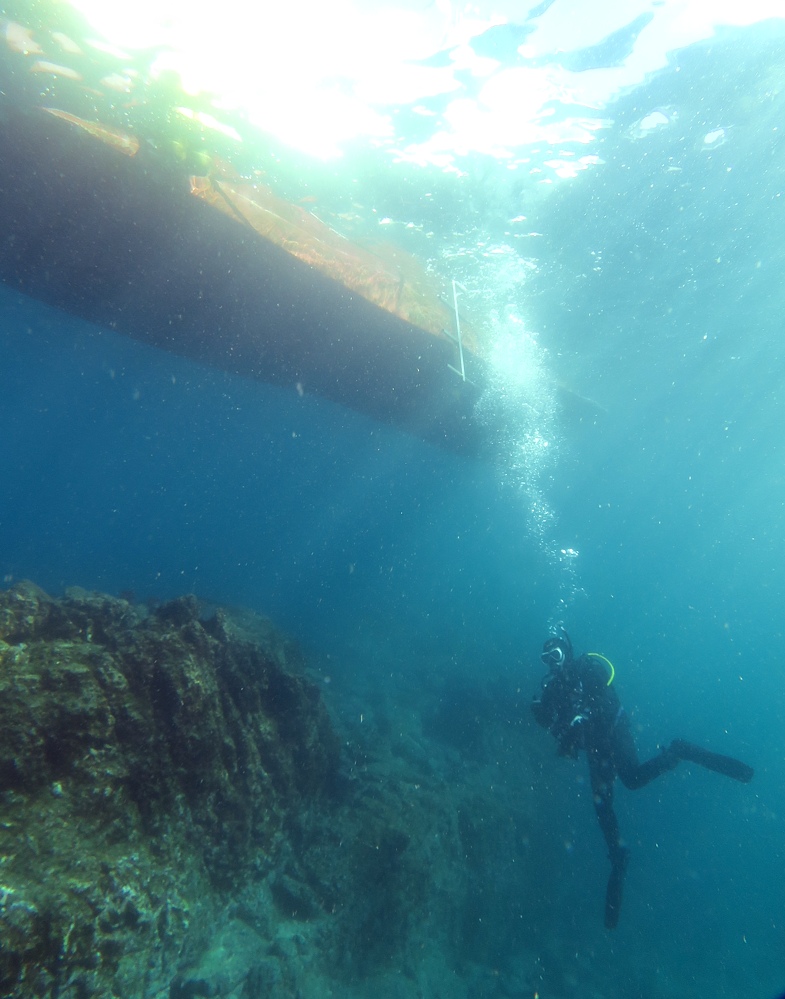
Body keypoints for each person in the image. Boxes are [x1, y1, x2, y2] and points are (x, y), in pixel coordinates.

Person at [531, 629, 754, 929]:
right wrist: (545, 716)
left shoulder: (588, 667)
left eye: (555, 655)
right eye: (546, 658)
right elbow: (556, 729)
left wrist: (585, 714)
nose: (552, 663)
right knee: (601, 804)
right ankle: (618, 856)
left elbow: (607, 694)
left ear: (567, 652)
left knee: (632, 780)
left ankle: (679, 751)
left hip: (614, 730)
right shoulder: (554, 687)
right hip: (594, 747)